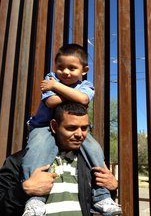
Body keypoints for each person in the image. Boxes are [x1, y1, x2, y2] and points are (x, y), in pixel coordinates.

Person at [22, 44, 121, 215]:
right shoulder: (51, 77)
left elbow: (83, 99)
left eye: (72, 68)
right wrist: (70, 94)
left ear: (84, 70)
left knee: (95, 149)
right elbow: (50, 102)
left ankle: (102, 196)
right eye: (61, 67)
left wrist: (55, 87)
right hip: (42, 126)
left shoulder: (83, 85)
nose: (65, 72)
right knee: (37, 148)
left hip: (60, 124)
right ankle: (35, 200)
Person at [0, 102, 120, 216]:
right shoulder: (21, 161)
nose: (79, 134)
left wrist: (112, 187)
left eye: (84, 128)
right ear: (54, 126)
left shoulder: (89, 162)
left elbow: (99, 202)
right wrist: (23, 189)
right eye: (71, 128)